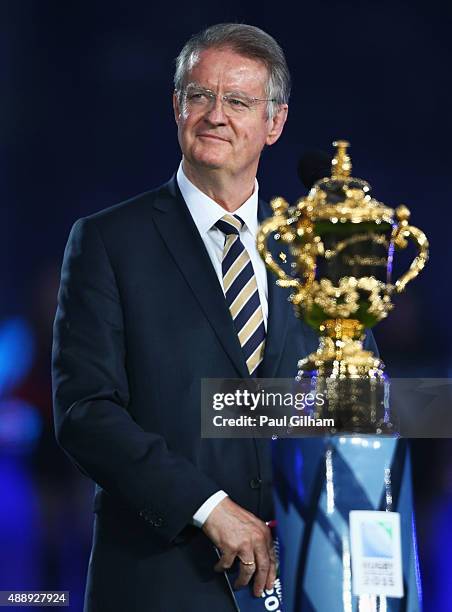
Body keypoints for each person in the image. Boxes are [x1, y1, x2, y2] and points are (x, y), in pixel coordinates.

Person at [52, 23, 374, 611]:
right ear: (177, 107)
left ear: (273, 123)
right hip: (161, 582)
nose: (215, 115)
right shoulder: (108, 242)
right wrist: (208, 508)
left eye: (238, 101)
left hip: (303, 579)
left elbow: (357, 410)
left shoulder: (316, 254)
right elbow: (85, 412)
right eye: (200, 95)